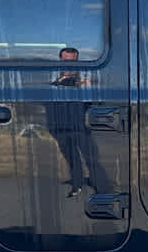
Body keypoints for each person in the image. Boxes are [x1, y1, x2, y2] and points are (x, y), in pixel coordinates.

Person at [47, 47, 110, 198]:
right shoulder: (55, 84)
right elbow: (48, 105)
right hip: (61, 129)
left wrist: (88, 90)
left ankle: (102, 190)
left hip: (81, 129)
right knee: (72, 158)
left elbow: (96, 104)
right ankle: (77, 185)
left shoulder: (83, 83)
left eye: (73, 61)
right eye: (66, 61)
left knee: (91, 159)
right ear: (60, 61)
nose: (69, 65)